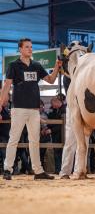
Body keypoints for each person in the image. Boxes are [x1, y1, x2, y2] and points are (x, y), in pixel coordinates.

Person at [0, 38, 62, 180]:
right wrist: (0, 104)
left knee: (35, 140)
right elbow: (6, 86)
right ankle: (7, 169)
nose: (30, 49)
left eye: (31, 47)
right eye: (27, 47)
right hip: (19, 108)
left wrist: (57, 66)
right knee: (14, 139)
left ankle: (38, 171)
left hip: (34, 109)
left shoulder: (36, 65)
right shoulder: (13, 66)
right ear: (20, 49)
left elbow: (51, 80)